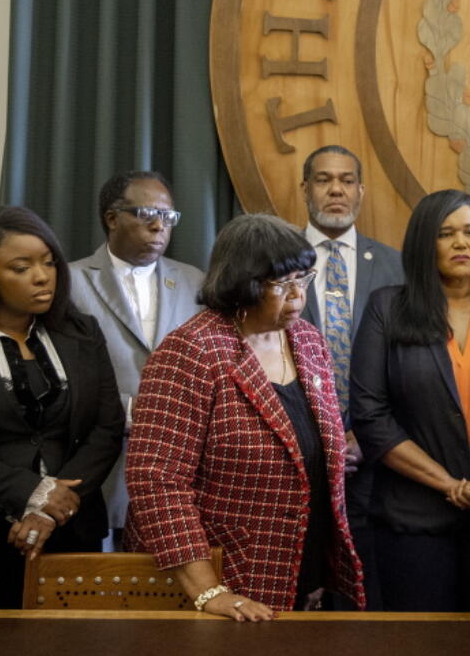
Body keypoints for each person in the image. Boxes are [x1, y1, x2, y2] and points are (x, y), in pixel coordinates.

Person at [125, 215, 363, 618]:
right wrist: (208, 592)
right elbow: (157, 481)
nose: (297, 297)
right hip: (227, 579)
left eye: (303, 280)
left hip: (306, 572)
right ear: (245, 282)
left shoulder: (308, 341)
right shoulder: (192, 351)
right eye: (281, 284)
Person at [350, 190, 470, 612]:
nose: (461, 243)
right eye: (446, 233)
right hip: (412, 521)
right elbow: (370, 415)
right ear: (425, 243)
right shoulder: (388, 308)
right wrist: (451, 486)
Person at [0, 206, 123, 609]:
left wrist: (51, 510)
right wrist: (32, 492)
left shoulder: (82, 332)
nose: (42, 276)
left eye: (48, 262)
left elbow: (106, 429)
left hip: (72, 530)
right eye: (21, 267)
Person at [68, 170, 203, 545]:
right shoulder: (71, 282)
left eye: (169, 217)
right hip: (101, 466)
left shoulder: (195, 283)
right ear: (112, 219)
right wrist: (130, 411)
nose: (160, 226)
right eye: (147, 215)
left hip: (178, 471)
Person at [297, 144, 403, 608]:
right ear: (305, 189)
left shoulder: (395, 265)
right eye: (323, 179)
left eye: (345, 180)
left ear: (361, 191)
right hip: (298, 446)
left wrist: (367, 433)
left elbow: (407, 363)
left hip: (374, 453)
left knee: (367, 589)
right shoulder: (277, 259)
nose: (335, 189)